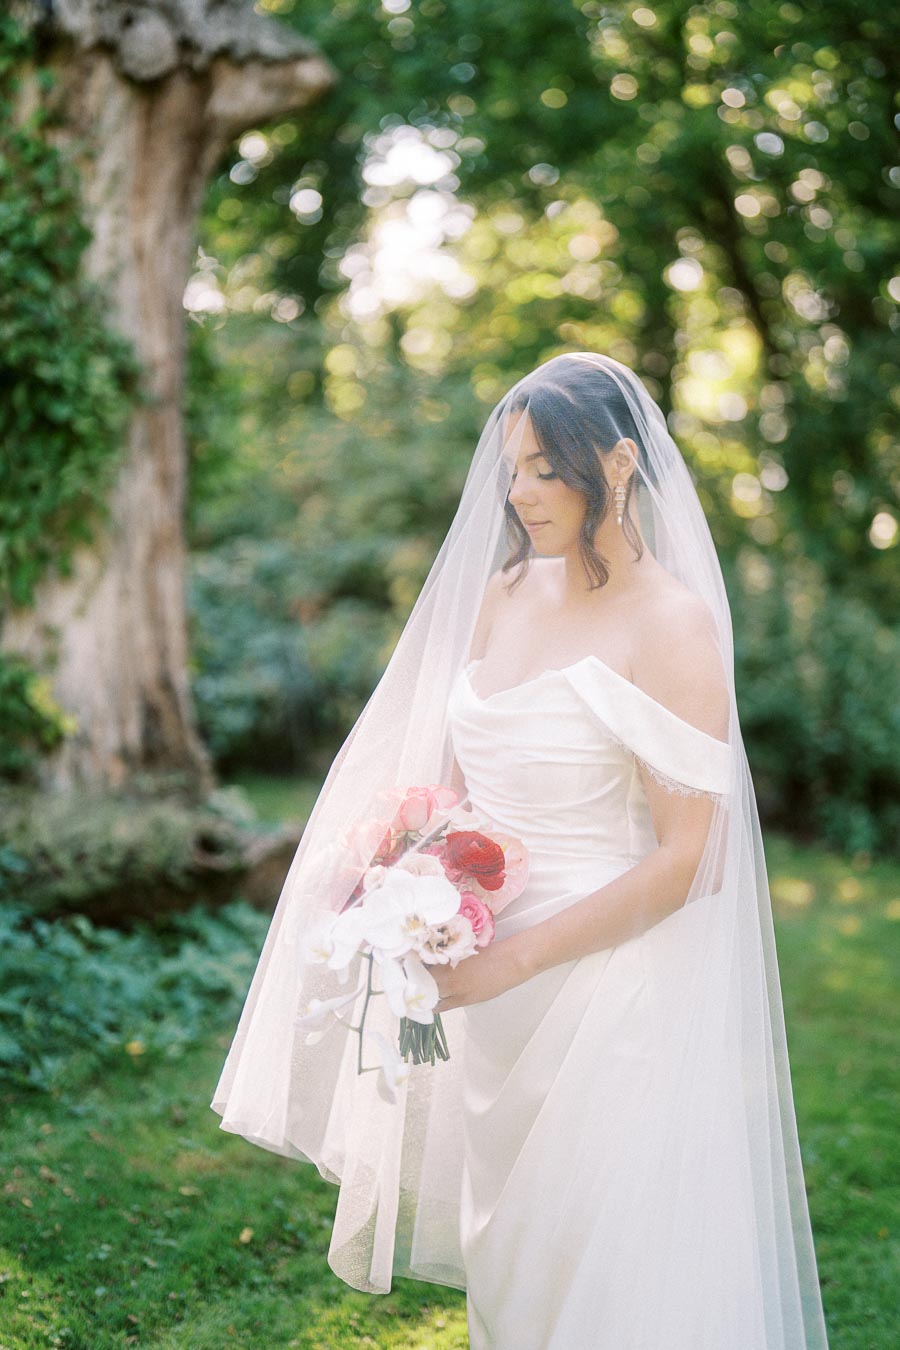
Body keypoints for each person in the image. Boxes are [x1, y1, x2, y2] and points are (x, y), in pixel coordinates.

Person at [211, 353, 831, 1349]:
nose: (519, 490)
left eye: (547, 468)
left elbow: (688, 860)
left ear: (619, 465)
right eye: (513, 466)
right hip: (489, 990)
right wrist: (403, 874)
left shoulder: (671, 624)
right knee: (516, 1270)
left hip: (608, 987)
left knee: (603, 1260)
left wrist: (511, 961)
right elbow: (459, 785)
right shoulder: (504, 590)